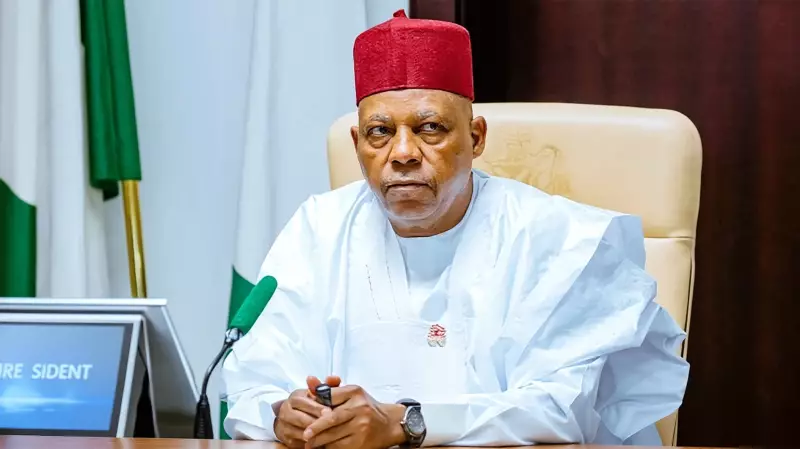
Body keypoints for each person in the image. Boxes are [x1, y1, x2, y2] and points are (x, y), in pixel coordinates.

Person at [221, 9, 689, 449]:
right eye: (380, 132)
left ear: (476, 137)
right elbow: (252, 383)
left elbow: (565, 407)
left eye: (429, 128)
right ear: (357, 143)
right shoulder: (319, 229)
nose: (403, 153)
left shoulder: (554, 238)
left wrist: (405, 423)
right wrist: (282, 414)